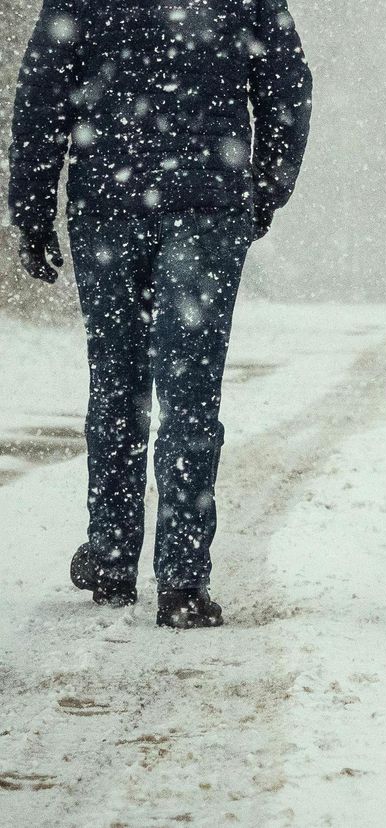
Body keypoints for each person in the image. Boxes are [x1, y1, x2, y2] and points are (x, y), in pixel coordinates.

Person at [8, 0, 312, 628]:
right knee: (190, 393)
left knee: (116, 383)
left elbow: (43, 91)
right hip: (207, 200)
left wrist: (33, 209)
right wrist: (265, 184)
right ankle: (182, 580)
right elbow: (285, 81)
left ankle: (114, 557)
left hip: (108, 202)